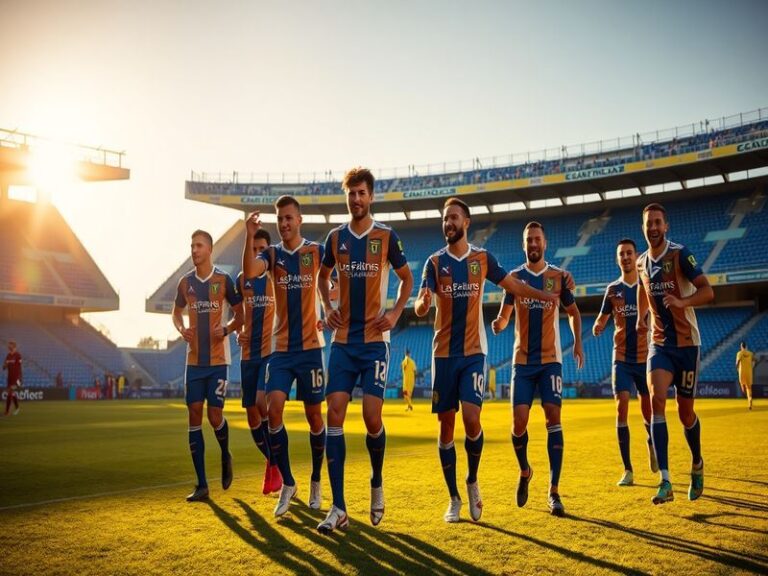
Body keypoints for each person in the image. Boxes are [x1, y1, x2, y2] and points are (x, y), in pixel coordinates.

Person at [415, 198, 560, 523]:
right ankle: (453, 499)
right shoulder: (434, 262)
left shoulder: (482, 259)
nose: (448, 223)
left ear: (466, 222)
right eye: (445, 219)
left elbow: (515, 285)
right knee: (446, 427)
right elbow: (421, 303)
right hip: (442, 354)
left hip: (473, 352)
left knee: (471, 419)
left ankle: (472, 481)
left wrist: (545, 297)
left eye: (453, 217)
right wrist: (422, 304)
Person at [316, 167, 414, 534]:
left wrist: (395, 312)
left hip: (374, 342)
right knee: (335, 415)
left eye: (361, 193)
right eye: (351, 193)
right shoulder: (335, 238)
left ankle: (376, 480)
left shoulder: (386, 236)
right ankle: (338, 508)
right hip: (342, 343)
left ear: (371, 197)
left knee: (373, 417)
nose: (356, 199)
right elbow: (322, 277)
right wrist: (328, 307)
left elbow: (407, 279)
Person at [242, 196, 327, 518]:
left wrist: (328, 309)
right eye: (280, 219)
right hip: (280, 350)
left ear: (299, 219)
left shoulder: (316, 252)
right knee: (272, 409)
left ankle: (317, 479)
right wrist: (249, 234)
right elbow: (251, 271)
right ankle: (289, 482)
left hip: (310, 349)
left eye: (289, 217)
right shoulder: (272, 254)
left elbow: (332, 284)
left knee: (314, 417)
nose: (284, 223)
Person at [492, 221, 583, 517]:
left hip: (550, 362)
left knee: (552, 418)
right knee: (518, 423)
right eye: (528, 240)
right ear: (524, 245)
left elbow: (573, 312)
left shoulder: (557, 277)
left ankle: (554, 491)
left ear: (545, 243)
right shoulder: (514, 278)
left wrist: (578, 342)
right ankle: (525, 470)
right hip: (522, 361)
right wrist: (500, 323)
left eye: (537, 239)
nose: (533, 244)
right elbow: (504, 315)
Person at [636, 202, 714, 505]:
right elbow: (643, 291)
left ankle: (697, 462)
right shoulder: (641, 262)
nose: (653, 227)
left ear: (665, 226)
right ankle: (665, 481)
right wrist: (643, 318)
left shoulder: (681, 254)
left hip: (687, 343)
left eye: (657, 222)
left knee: (685, 412)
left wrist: (683, 303)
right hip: (660, 343)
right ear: (643, 227)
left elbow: (708, 291)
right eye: (648, 223)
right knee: (656, 400)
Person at [172, 229, 244, 502]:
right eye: (192, 246)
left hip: (218, 362)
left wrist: (225, 330)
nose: (194, 250)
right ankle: (202, 484)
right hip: (193, 361)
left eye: (199, 246)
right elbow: (175, 312)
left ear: (209, 249)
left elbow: (241, 314)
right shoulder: (185, 283)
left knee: (214, 416)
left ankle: (225, 453)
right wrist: (181, 329)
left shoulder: (223, 280)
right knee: (193, 415)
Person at [593, 239, 656, 487]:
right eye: (622, 254)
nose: (626, 257)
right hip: (621, 358)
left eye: (630, 253)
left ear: (636, 256)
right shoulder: (612, 290)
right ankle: (628, 469)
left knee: (649, 410)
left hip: (645, 357)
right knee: (621, 408)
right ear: (617, 259)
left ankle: (651, 441)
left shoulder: (647, 285)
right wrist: (599, 325)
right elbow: (602, 317)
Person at [237, 227, 281, 495]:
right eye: (253, 249)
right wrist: (236, 329)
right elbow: (238, 313)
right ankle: (272, 462)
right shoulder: (243, 280)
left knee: (261, 402)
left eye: (262, 250)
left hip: (270, 351)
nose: (257, 254)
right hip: (247, 354)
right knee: (252, 416)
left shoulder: (277, 277)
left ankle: (276, 467)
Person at [3, 340, 22, 416]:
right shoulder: (8, 355)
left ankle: (7, 412)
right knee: (12, 393)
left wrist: (19, 378)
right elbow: (5, 365)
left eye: (10, 345)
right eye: (8, 345)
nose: (8, 346)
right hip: (9, 377)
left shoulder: (18, 355)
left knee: (10, 392)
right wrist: (4, 366)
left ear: (14, 346)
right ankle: (17, 408)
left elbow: (19, 366)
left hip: (16, 378)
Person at [736, 341, 755, 410]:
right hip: (749, 373)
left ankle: (742, 388)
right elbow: (754, 360)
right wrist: (752, 366)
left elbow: (737, 362)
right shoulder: (750, 353)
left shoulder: (739, 353)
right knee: (749, 388)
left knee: (742, 384)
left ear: (741, 347)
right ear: (746, 346)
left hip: (742, 373)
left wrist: (737, 368)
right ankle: (750, 401)